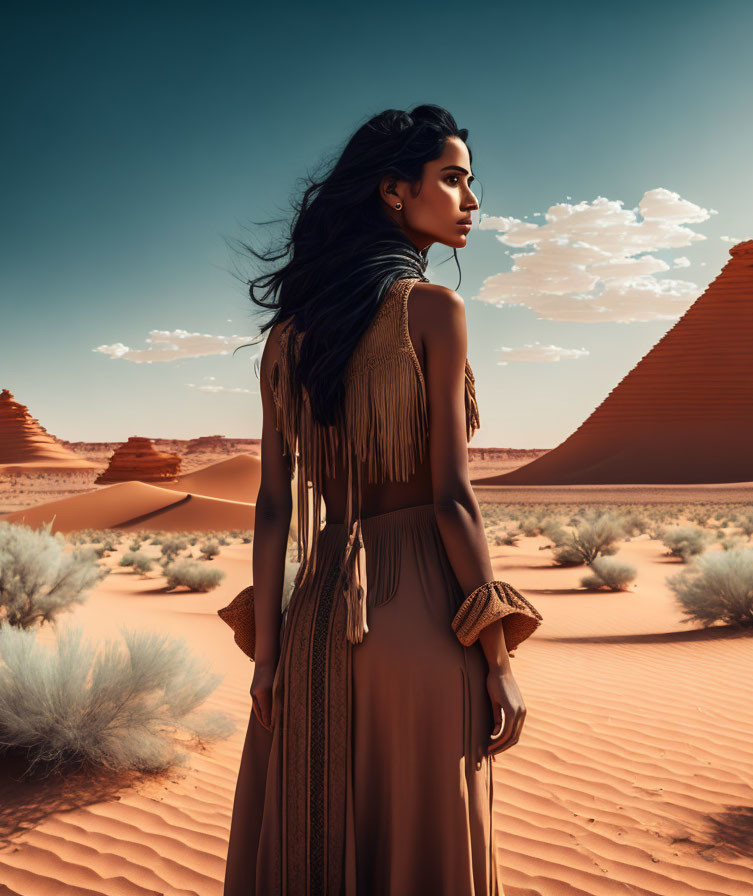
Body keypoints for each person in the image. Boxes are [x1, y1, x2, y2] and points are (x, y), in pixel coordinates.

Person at [219, 104, 543, 896]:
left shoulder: (288, 337)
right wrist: (497, 656)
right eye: (455, 180)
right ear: (396, 192)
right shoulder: (433, 311)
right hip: (423, 616)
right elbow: (452, 500)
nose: (472, 203)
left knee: (311, 833)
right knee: (425, 837)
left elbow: (272, 505)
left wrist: (268, 657)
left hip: (318, 612)